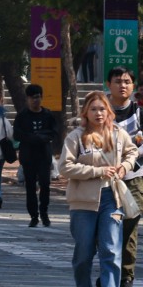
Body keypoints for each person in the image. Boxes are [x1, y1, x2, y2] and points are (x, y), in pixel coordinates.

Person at [62, 91, 138, 287]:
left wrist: (125, 166)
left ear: (109, 111)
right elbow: (65, 167)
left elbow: (132, 152)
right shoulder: (76, 137)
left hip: (112, 199)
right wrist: (97, 171)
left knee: (111, 251)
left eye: (102, 109)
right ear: (85, 112)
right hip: (83, 203)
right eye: (93, 109)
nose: (98, 113)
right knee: (83, 254)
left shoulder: (118, 134)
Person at [108, 67, 143, 283]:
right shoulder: (99, 112)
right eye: (118, 81)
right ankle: (108, 273)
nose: (122, 85)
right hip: (103, 180)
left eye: (127, 81)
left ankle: (125, 278)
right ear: (108, 84)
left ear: (133, 86)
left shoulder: (140, 113)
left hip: (133, 179)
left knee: (130, 227)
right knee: (105, 229)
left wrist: (127, 166)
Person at [14, 83, 61, 228]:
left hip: (44, 155)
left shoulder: (47, 114)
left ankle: (44, 212)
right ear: (28, 98)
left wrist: (42, 137)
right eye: (34, 97)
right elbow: (17, 134)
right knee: (30, 186)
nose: (37, 100)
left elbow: (54, 132)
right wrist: (32, 138)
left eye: (39, 97)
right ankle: (33, 215)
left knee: (45, 184)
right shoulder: (22, 115)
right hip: (28, 156)